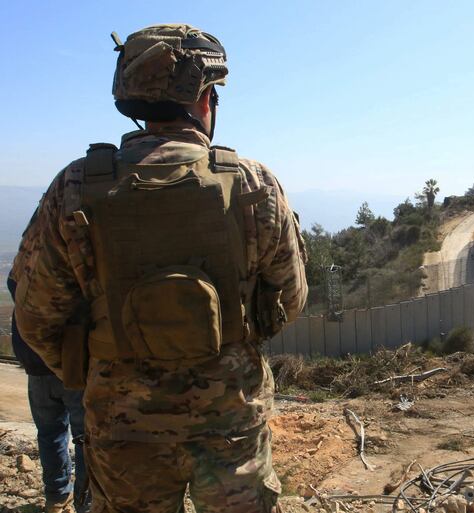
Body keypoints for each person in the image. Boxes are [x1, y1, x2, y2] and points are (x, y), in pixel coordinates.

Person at [11, 24, 307, 513]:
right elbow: (290, 301)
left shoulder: (77, 185)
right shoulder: (254, 185)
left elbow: (37, 317)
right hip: (229, 423)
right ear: (206, 98)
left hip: (122, 427)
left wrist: (106, 366)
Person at [7, 273, 88, 513]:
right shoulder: (71, 259)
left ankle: (56, 498)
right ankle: (85, 503)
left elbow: (14, 287)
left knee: (50, 435)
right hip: (73, 366)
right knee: (86, 439)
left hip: (36, 364)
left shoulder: (25, 265)